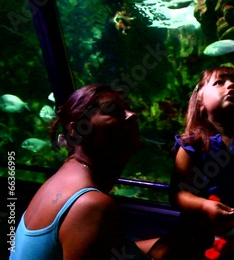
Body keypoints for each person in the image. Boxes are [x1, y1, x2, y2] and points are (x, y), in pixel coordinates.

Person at [147, 36, 234, 259]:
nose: (231, 85)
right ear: (200, 101)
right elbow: (177, 194)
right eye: (219, 83)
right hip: (197, 231)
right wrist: (204, 206)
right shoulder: (191, 145)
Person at [10, 84, 156, 260]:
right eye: (113, 111)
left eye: (129, 109)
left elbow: (109, 249)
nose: (132, 115)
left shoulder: (61, 184)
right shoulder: (91, 206)